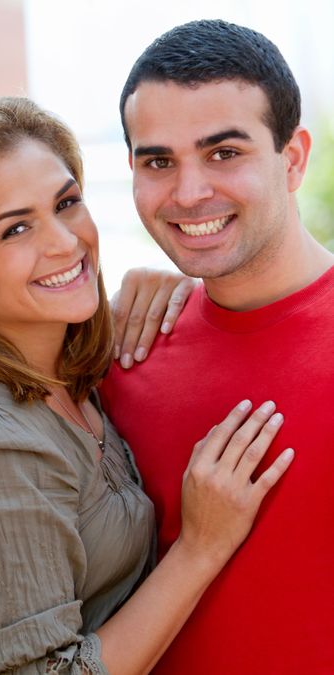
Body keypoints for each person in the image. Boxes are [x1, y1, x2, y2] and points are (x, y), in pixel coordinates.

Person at [0, 95, 293, 674]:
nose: (65, 243)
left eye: (67, 203)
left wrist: (177, 287)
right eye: (17, 228)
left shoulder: (76, 379)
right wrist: (200, 548)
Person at [101, 18, 334, 675]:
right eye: (158, 161)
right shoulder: (120, 350)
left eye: (224, 152)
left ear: (292, 159)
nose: (189, 192)